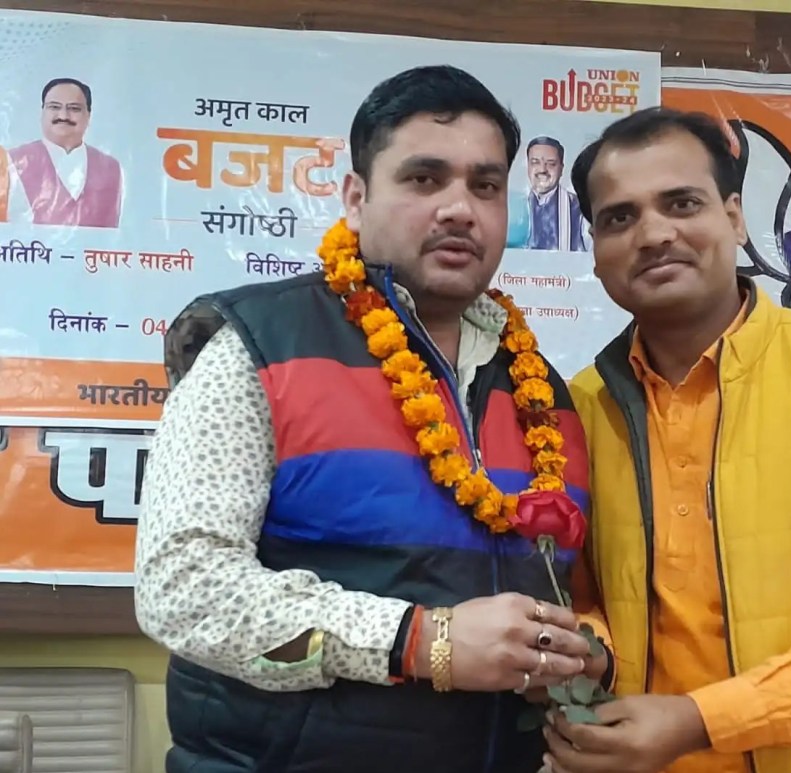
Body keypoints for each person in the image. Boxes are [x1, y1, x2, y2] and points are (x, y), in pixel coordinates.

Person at [136, 65, 611, 773]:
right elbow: (184, 589)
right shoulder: (259, 348)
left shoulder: (544, 391)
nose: (460, 208)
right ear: (356, 198)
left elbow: (574, 593)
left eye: (485, 186)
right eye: (424, 179)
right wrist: (419, 640)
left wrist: (581, 654)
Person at [546, 107, 791, 773]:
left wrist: (702, 720)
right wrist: (590, 647)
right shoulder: (577, 408)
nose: (653, 234)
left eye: (682, 203)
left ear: (735, 217)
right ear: (596, 249)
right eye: (620, 217)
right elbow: (586, 597)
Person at [4, 77, 123, 227]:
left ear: (88, 115)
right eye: (54, 107)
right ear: (42, 112)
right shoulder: (12, 160)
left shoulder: (110, 168)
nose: (63, 116)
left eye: (74, 108)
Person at [525, 136, 588, 251]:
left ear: (561, 168)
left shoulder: (580, 207)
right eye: (535, 162)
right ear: (528, 166)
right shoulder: (517, 206)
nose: (542, 170)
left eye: (551, 163)